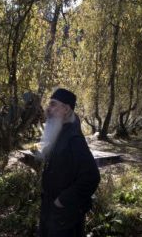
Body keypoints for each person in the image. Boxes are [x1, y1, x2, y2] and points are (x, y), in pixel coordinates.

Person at [39, 88, 100, 237]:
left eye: (53, 104)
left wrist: (61, 201)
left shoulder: (74, 139)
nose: (48, 109)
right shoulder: (61, 132)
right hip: (52, 214)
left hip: (65, 219)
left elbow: (91, 177)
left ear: (66, 109)